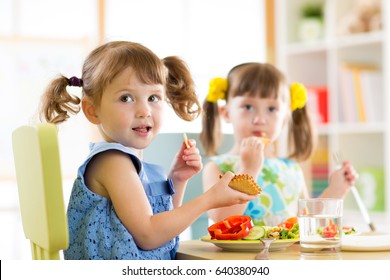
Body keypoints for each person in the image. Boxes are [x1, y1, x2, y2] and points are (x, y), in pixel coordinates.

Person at [39, 41, 258, 260]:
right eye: (126, 98)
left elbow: (161, 224)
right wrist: (208, 199)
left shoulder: (128, 162)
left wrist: (177, 178)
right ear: (92, 110)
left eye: (153, 97)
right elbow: (148, 235)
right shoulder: (112, 162)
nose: (144, 110)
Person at [200, 62, 358, 225]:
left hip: (288, 252)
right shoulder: (217, 167)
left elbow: (306, 222)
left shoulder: (291, 169)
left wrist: (336, 190)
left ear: (284, 117)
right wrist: (248, 170)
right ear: (226, 113)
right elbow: (222, 220)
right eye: (247, 106)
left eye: (271, 109)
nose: (260, 119)